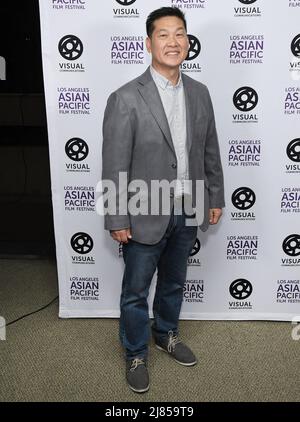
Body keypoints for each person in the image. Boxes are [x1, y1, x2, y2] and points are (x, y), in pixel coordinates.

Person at [102, 7, 225, 393]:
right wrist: (116, 217)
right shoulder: (124, 98)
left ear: (187, 41)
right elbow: (114, 163)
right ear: (148, 42)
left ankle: (166, 333)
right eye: (164, 35)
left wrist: (214, 196)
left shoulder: (200, 93)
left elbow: (209, 151)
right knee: (136, 290)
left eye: (180, 34)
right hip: (143, 209)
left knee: (174, 281)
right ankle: (136, 351)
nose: (173, 42)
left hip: (189, 206)